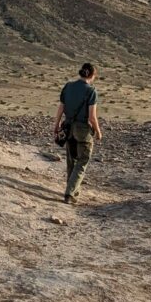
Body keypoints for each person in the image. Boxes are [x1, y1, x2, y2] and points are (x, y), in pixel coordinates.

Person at [53, 63, 103, 204]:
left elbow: (61, 108)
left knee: (71, 160)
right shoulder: (91, 91)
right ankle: (70, 194)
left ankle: (73, 190)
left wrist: (56, 125)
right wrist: (98, 131)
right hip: (83, 130)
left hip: (68, 127)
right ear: (92, 75)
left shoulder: (68, 86)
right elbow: (92, 117)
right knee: (82, 161)